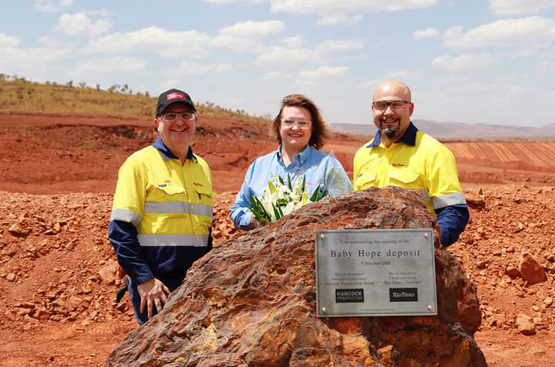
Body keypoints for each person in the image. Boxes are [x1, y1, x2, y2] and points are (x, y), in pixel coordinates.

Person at [108, 88, 213, 324]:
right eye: (170, 116)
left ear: (195, 121)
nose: (179, 122)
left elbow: (206, 232)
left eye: (186, 115)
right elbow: (120, 231)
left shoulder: (202, 167)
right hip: (158, 288)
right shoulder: (139, 164)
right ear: (157, 123)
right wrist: (144, 279)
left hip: (196, 284)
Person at [353, 80, 469, 247]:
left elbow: (453, 210)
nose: (388, 112)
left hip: (415, 262)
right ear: (373, 109)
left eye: (396, 105)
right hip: (370, 258)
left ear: (410, 108)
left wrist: (430, 248)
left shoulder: (434, 152)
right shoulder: (363, 155)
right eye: (381, 105)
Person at [230, 94, 353, 229]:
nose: (295, 128)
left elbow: (347, 212)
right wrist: (254, 219)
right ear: (279, 126)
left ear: (312, 129)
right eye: (289, 122)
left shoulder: (329, 167)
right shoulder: (259, 166)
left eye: (303, 123)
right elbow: (237, 209)